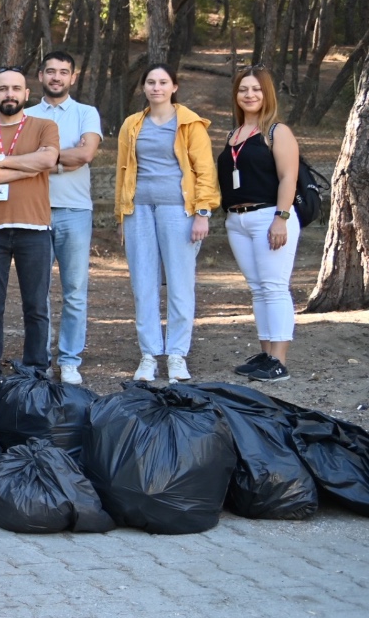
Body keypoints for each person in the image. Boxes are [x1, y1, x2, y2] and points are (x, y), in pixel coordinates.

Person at [114, 64, 219, 383]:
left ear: (174, 87)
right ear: (143, 87)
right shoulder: (132, 124)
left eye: (162, 82)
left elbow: (205, 170)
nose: (155, 87)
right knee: (142, 283)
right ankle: (148, 354)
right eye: (150, 82)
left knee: (179, 283)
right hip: (138, 210)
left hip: (179, 210)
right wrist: (122, 215)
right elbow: (122, 170)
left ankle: (176, 355)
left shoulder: (190, 123)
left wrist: (203, 212)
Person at [0, 67, 60, 396]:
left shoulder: (44, 126)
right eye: (3, 89)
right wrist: (24, 165)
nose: (9, 94)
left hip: (34, 227)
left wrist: (0, 161)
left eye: (15, 89)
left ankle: (36, 370)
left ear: (25, 94)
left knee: (36, 305)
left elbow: (48, 160)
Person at [24, 51, 102, 385]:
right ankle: (39, 359)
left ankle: (69, 359)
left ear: (73, 77)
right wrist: (59, 160)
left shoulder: (87, 113)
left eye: (64, 72)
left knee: (74, 289)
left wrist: (44, 159)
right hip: (34, 210)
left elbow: (85, 154)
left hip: (75, 212)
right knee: (36, 291)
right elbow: (18, 159)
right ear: (40, 76)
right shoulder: (26, 115)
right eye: (51, 71)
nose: (57, 77)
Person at [218, 66, 301, 382]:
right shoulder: (234, 135)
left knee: (274, 287)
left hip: (270, 217)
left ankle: (279, 360)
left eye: (256, 89)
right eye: (243, 89)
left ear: (267, 94)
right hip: (237, 221)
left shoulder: (276, 132)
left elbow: (288, 177)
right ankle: (266, 354)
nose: (249, 95)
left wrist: (281, 218)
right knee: (258, 289)